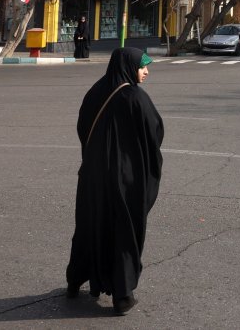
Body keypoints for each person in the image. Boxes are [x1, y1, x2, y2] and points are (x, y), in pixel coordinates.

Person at [65, 47, 164, 316]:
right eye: (142, 67)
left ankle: (75, 280)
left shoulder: (95, 92)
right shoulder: (135, 97)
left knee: (89, 226)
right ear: (129, 67)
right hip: (124, 181)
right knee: (123, 231)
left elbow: (82, 128)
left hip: (93, 177)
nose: (146, 72)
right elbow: (154, 133)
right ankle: (122, 296)